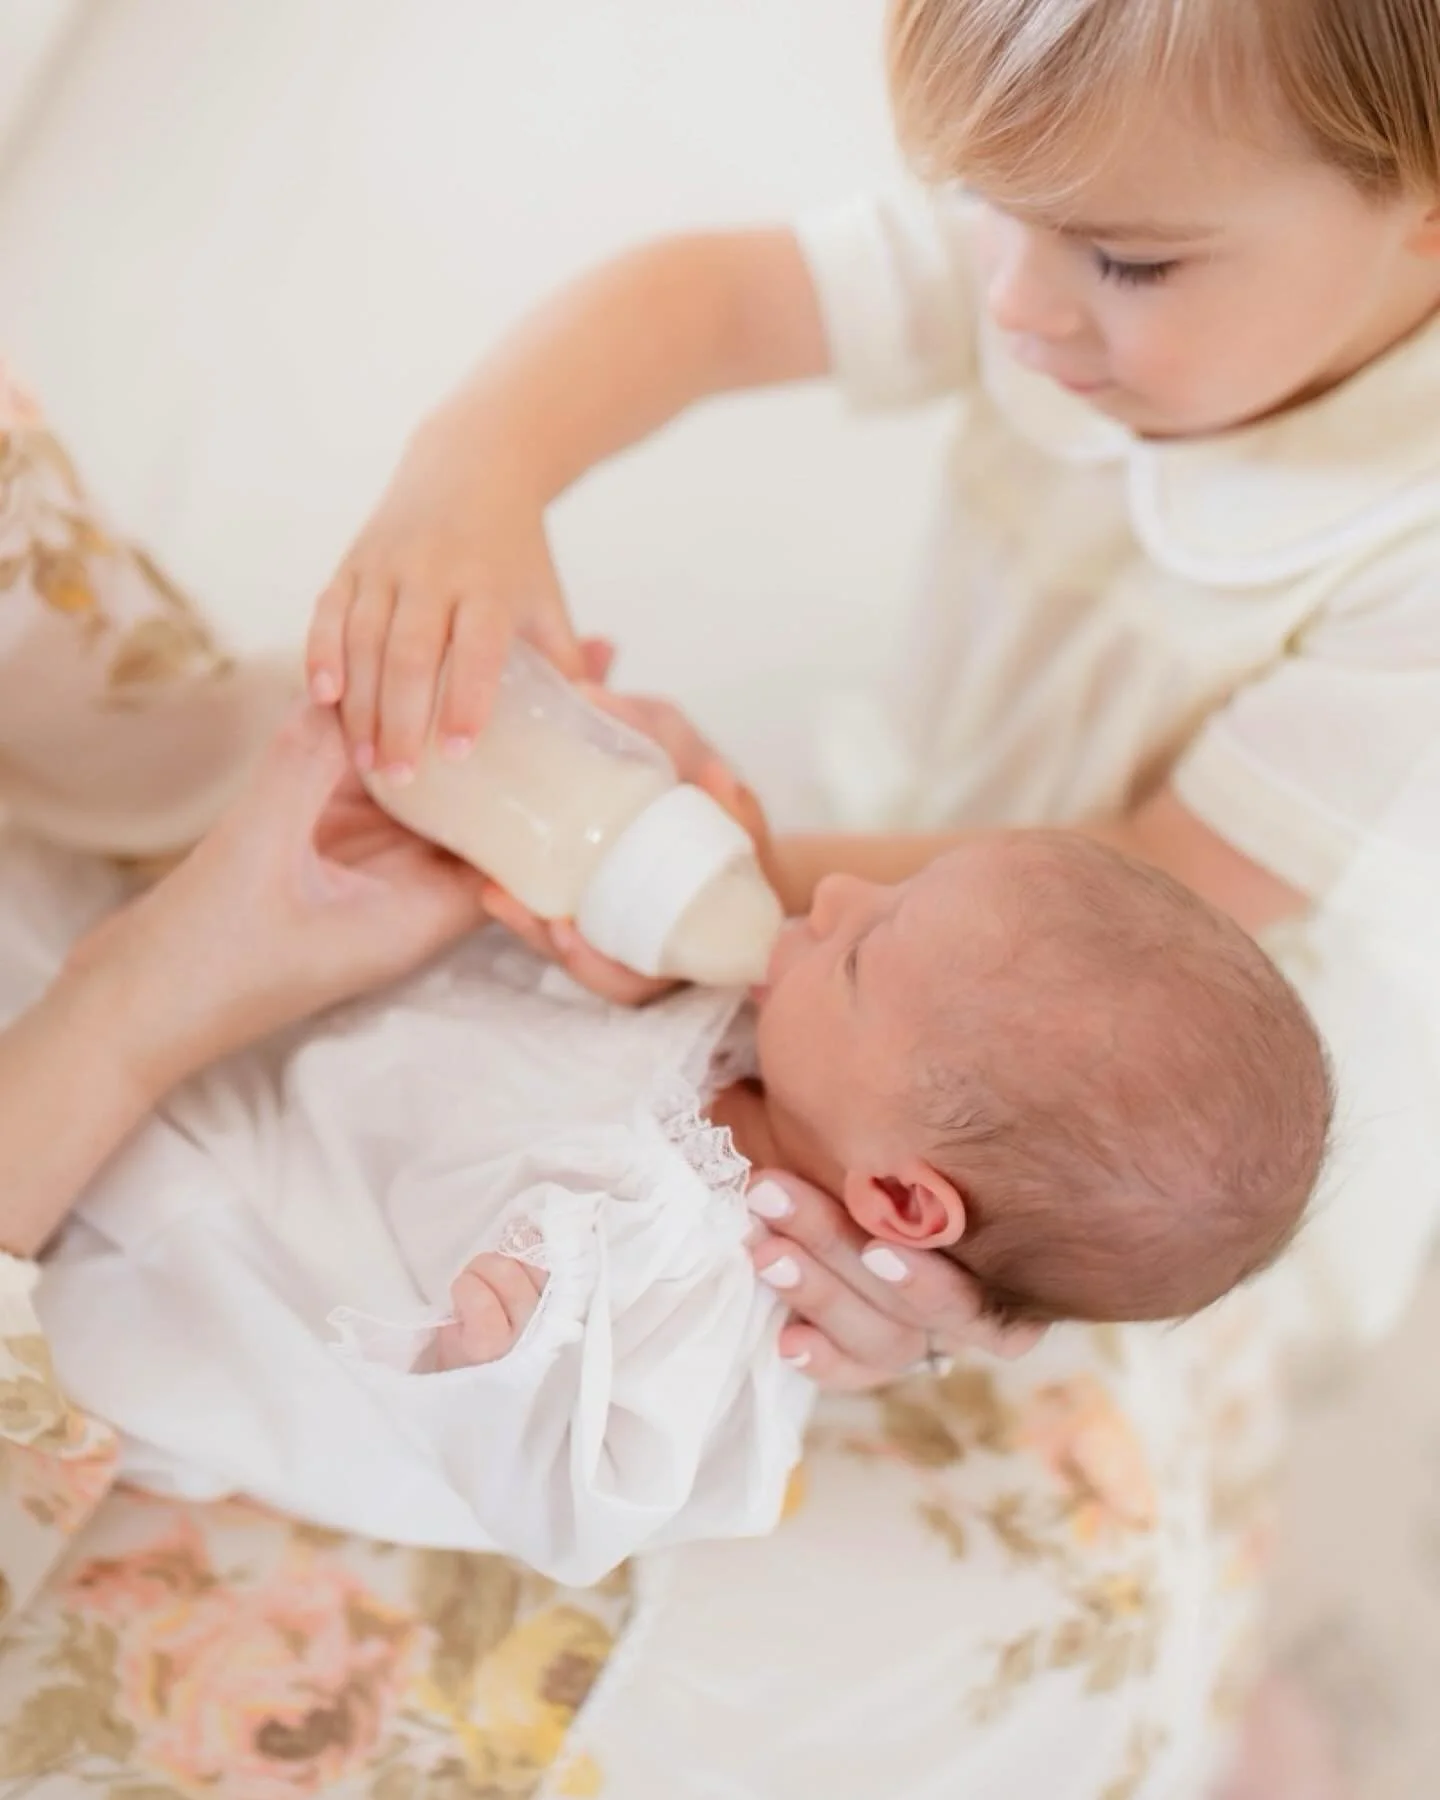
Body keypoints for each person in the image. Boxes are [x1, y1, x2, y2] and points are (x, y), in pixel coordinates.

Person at [297, 0, 1440, 1788]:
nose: (1019, 304)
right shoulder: (1079, 220)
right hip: (954, 903)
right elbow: (715, 297)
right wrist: (477, 467)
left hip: (1204, 1029)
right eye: (993, 215)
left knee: (1068, 1361)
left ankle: (1228, 1719)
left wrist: (676, 860)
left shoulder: (1410, 558)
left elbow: (1165, 878)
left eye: (1125, 261)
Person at [26, 828, 1328, 1587]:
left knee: (126, 1248)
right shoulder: (775, 1046)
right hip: (297, 1084)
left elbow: (580, 1509)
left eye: (867, 951)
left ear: (898, 1198)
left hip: (238, 1269)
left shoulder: (709, 1294)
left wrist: (509, 1357)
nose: (839, 895)